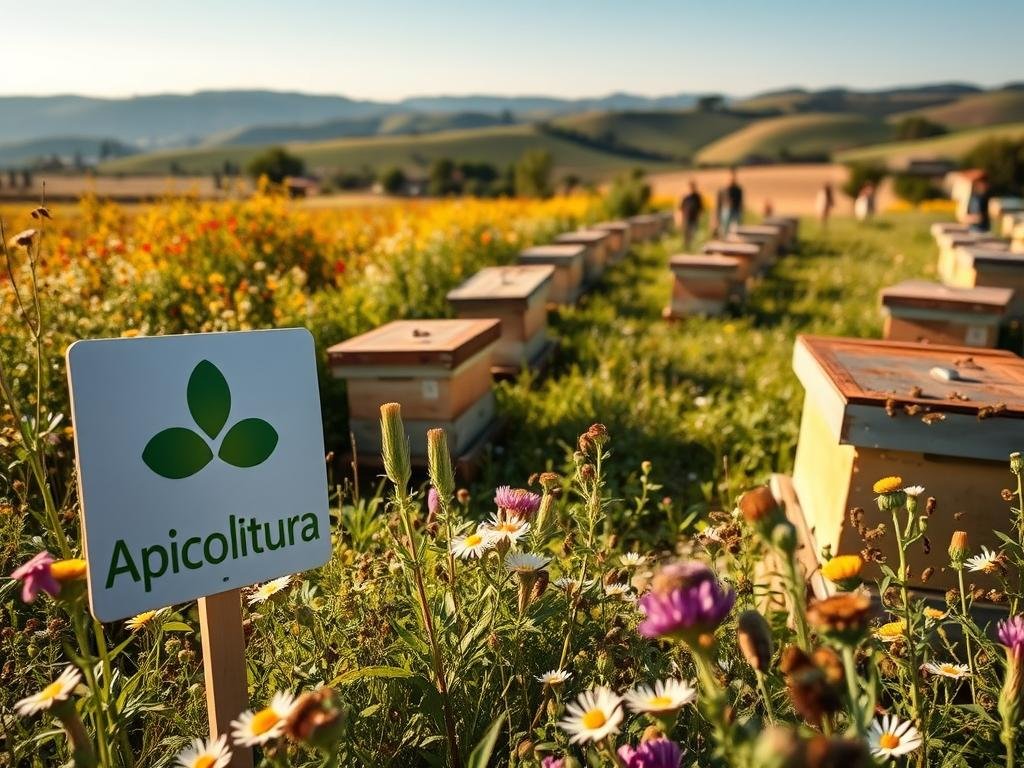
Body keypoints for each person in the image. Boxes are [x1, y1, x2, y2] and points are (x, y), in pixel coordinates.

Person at [716, 167, 744, 235]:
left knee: (736, 228)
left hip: (736, 210)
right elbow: (719, 203)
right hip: (726, 210)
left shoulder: (738, 189)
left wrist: (741, 210)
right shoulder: (723, 189)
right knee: (725, 228)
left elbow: (741, 202)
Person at [679, 181, 704, 250]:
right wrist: (680, 219)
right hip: (686, 218)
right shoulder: (685, 197)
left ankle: (694, 248)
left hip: (695, 218)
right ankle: (686, 248)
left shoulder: (697, 196)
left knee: (694, 234)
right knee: (686, 235)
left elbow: (701, 208)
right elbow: (680, 208)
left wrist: (700, 216)